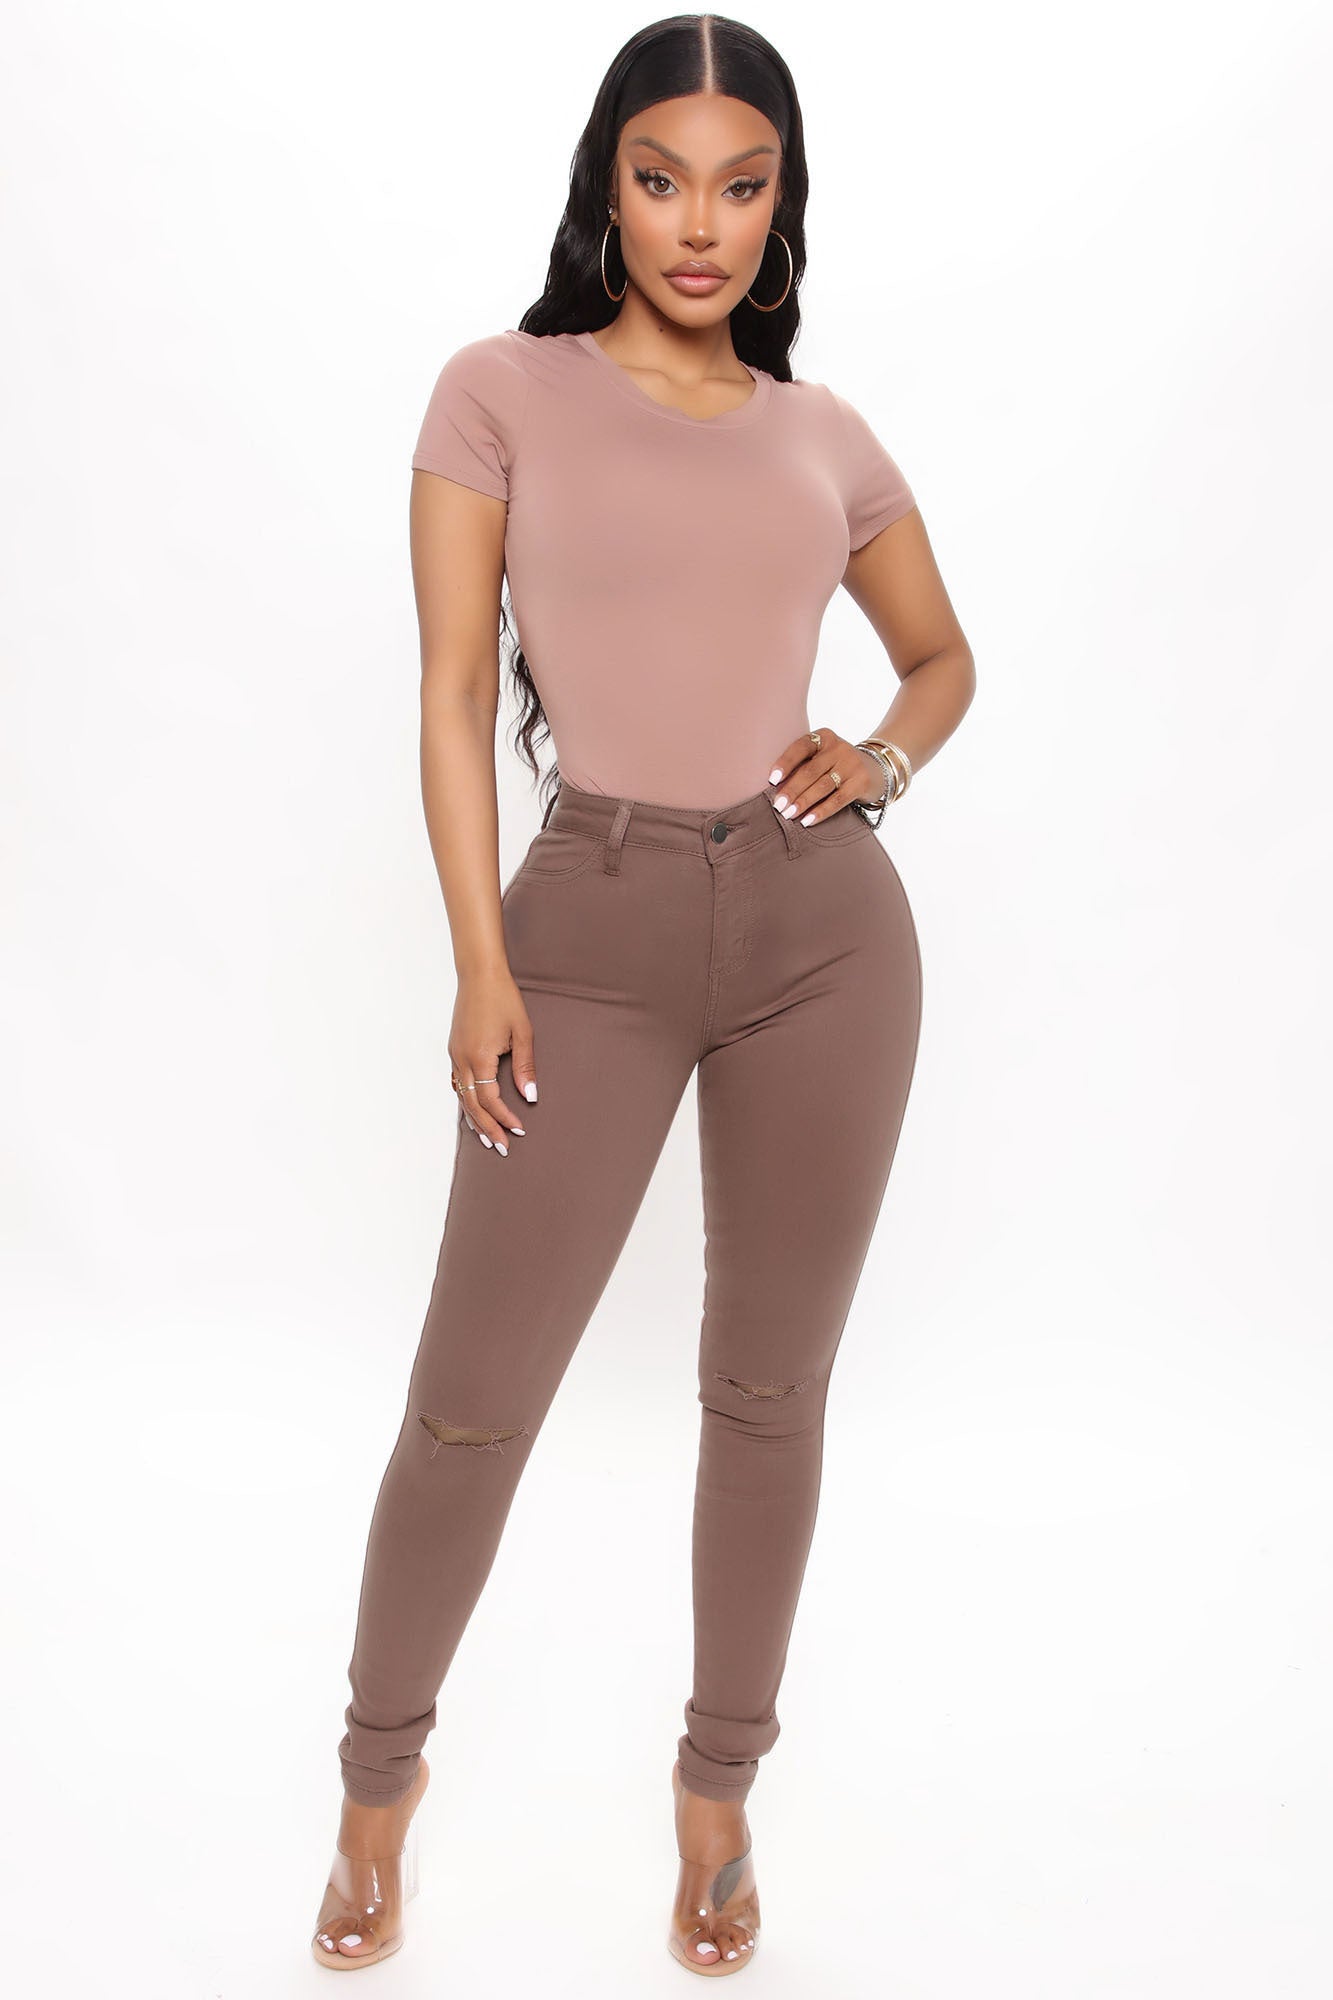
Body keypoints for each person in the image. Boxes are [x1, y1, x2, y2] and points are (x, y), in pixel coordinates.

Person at [311, 13, 975, 1979]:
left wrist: (880, 756)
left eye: (740, 185)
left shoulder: (822, 432)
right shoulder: (497, 392)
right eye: (661, 178)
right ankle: (373, 1793)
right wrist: (480, 966)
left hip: (821, 942)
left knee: (766, 1394)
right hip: (579, 935)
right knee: (469, 1407)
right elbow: (451, 691)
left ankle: (716, 1796)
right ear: (606, 186)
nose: (699, 224)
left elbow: (941, 657)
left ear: (781, 205)